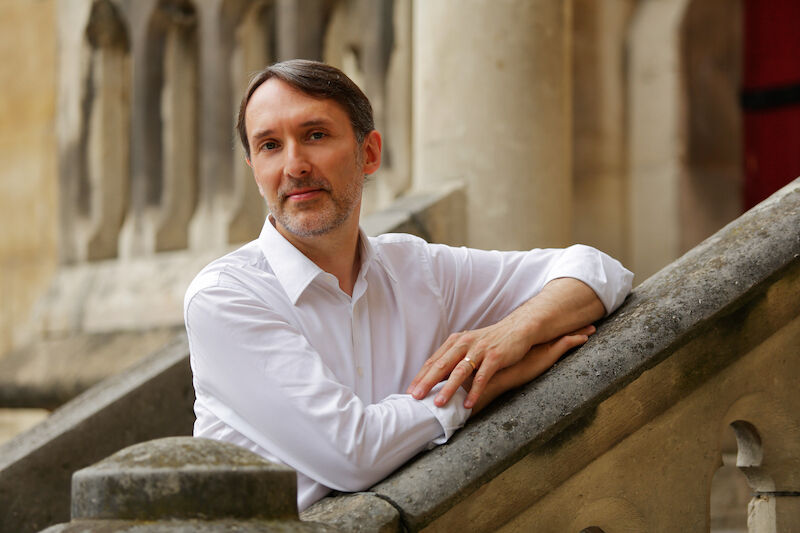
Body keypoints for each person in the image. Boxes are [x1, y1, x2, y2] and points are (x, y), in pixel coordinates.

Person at [184, 59, 633, 511]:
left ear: (370, 153)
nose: (294, 165)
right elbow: (353, 454)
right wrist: (479, 387)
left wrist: (512, 333)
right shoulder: (225, 297)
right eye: (269, 146)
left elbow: (599, 270)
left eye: (315, 135)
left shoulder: (417, 268)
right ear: (253, 169)